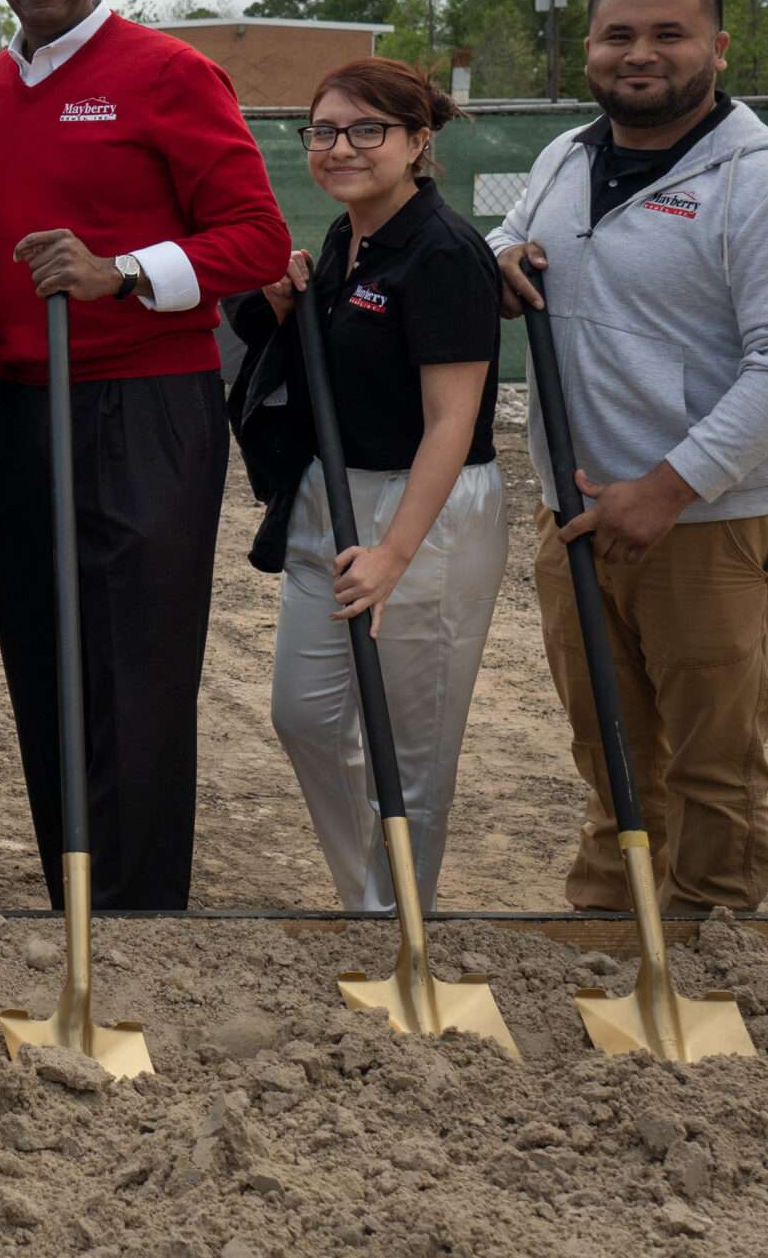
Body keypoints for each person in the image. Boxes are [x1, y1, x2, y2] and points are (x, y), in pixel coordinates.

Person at [0, 0, 290, 912]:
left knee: (134, 675)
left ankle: (138, 924)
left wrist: (123, 271)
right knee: (44, 665)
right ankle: (75, 908)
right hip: (15, 411)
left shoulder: (168, 72)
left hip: (145, 407)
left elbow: (256, 237)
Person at [491, 0, 768, 913]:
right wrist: (502, 256)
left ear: (718, 49)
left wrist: (668, 487)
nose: (640, 54)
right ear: (589, 48)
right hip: (578, 513)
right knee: (607, 744)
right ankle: (610, 916)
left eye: (668, 34)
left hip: (714, 521)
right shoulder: (565, 157)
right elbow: (508, 234)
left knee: (712, 759)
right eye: (618, 34)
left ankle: (710, 931)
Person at [226, 59, 503, 912]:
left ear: (417, 141)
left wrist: (393, 555)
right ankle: (368, 901)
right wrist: (288, 300)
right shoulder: (348, 239)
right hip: (329, 498)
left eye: (366, 130)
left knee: (413, 754)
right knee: (305, 715)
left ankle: (399, 921)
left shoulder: (445, 251)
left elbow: (451, 421)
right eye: (324, 130)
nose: (340, 147)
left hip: (424, 513)